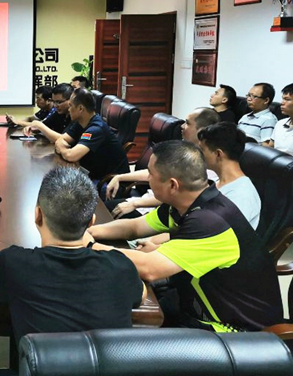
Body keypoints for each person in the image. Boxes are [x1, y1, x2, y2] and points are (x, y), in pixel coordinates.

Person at [89, 141, 283, 332]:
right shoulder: (185, 204)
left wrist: (87, 245)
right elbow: (135, 227)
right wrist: (89, 232)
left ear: (172, 185)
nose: (147, 178)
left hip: (233, 330)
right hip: (191, 302)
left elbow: (150, 269)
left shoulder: (211, 222)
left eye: (151, 174)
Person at [0, 167, 145, 350]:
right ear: (91, 222)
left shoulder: (12, 263)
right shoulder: (121, 266)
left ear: (37, 215)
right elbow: (141, 294)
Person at [106, 107, 220, 219]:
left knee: (106, 214)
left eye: (187, 123)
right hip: (144, 202)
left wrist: (136, 203)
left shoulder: (206, 163)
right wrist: (120, 177)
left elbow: (180, 197)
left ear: (202, 130)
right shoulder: (182, 149)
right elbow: (155, 171)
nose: (182, 126)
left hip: (154, 212)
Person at [54, 88, 129, 181]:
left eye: (70, 106)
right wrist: (64, 148)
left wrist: (62, 148)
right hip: (92, 172)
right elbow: (61, 139)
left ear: (80, 108)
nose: (68, 109)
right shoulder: (80, 122)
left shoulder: (96, 129)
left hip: (109, 181)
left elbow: (71, 156)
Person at [197, 123, 260, 229]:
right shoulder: (218, 182)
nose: (199, 155)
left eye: (202, 150)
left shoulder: (241, 195)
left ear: (218, 154)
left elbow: (215, 231)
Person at [266, 83, 293, 155]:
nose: (282, 103)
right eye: (283, 99)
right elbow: (270, 148)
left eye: (287, 99)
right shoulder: (280, 123)